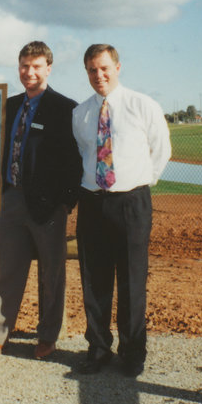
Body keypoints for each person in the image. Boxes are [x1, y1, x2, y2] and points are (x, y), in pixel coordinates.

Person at [0, 41, 82, 361]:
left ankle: (47, 337)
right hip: (12, 200)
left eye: (36, 66)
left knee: (51, 274)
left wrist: (65, 204)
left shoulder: (64, 107)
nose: (29, 72)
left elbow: (76, 161)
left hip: (49, 206)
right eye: (24, 66)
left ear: (48, 68)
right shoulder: (9, 104)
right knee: (8, 272)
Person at [71, 44, 171, 377]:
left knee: (132, 279)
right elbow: (83, 154)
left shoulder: (142, 105)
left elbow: (162, 149)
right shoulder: (81, 113)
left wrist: (142, 180)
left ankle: (132, 352)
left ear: (117, 67)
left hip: (131, 202)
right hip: (92, 202)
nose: (98, 75)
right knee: (94, 280)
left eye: (103, 68)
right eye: (91, 70)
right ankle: (98, 349)